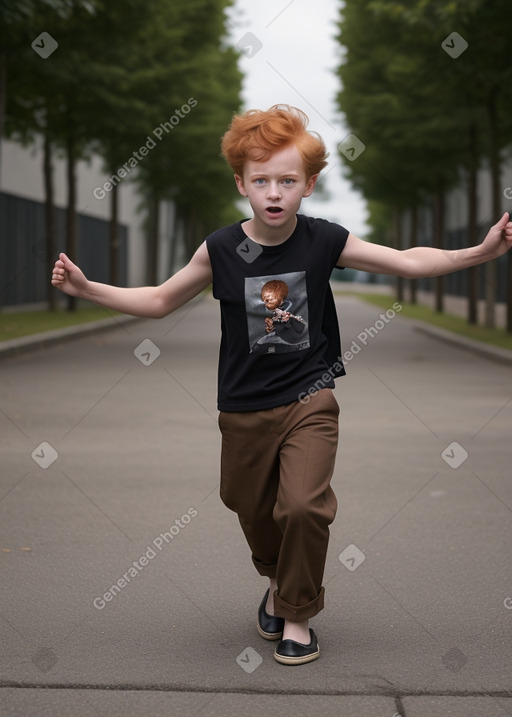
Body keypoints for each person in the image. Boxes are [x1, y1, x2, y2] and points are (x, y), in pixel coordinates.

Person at [51, 104, 512, 666]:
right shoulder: (221, 248)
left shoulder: (324, 241)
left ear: (308, 185)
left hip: (308, 400)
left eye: (288, 181)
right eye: (262, 180)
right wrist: (87, 287)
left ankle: (297, 613)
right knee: (248, 505)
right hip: (242, 408)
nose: (274, 192)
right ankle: (276, 579)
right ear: (241, 182)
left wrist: (481, 252)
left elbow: (407, 262)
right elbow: (158, 300)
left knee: (302, 508)